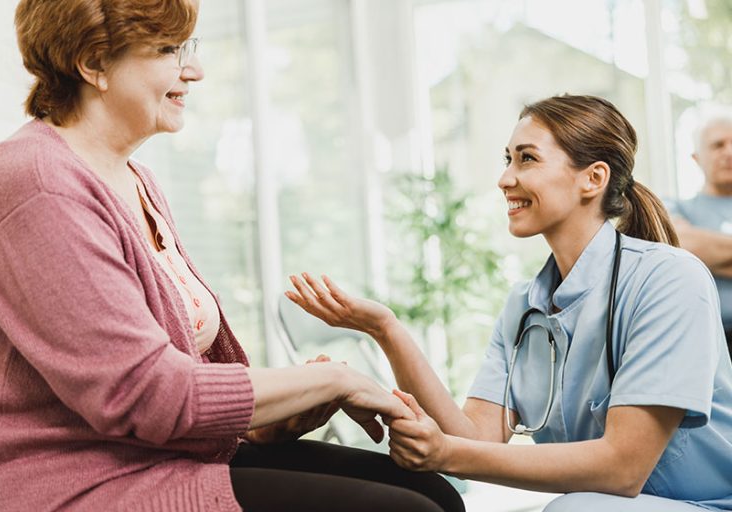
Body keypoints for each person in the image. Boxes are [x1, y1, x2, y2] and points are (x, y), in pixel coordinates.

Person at [0, 1, 465, 511]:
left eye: (187, 48)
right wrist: (334, 379)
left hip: (153, 457)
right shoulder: (34, 182)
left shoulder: (135, 179)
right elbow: (143, 396)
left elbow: (183, 367)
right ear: (92, 64)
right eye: (167, 50)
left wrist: (264, 421)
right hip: (69, 483)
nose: (194, 70)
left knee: (431, 492)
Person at [288, 95, 732, 511]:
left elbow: (622, 467)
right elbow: (475, 437)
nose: (505, 179)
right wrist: (386, 329)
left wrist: (448, 451)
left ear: (593, 179)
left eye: (527, 158)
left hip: (707, 504)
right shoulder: (526, 304)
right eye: (508, 159)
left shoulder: (669, 279)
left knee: (574, 508)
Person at [667, 107, 732, 358]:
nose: (728, 152)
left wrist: (710, 253)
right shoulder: (675, 207)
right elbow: (683, 244)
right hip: (704, 343)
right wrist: (693, 248)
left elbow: (694, 249)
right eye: (717, 145)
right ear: (696, 158)